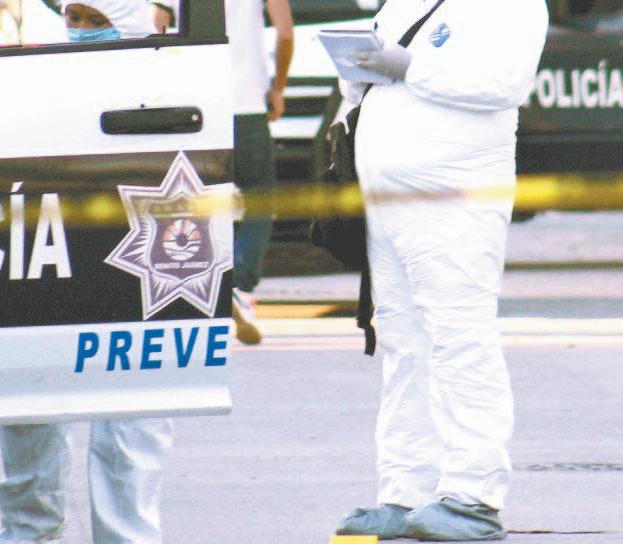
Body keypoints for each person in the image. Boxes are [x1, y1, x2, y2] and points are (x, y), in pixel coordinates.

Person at [332, 0, 548, 540]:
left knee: (460, 339)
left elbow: (503, 83)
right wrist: (356, 73)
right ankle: (406, 492)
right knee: (403, 342)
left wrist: (411, 68)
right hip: (387, 193)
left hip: (456, 194)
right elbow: (369, 85)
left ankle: (474, 497)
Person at [0, 6, 172, 544]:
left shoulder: (170, 81)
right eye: (76, 18)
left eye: (96, 18)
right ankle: (29, 528)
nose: (81, 31)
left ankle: (126, 535)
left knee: (133, 393)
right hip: (53, 235)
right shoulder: (45, 74)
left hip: (134, 238)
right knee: (28, 377)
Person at [228, 0, 294, 345]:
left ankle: (202, 285)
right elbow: (285, 34)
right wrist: (278, 88)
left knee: (196, 198)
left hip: (196, 104)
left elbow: (158, 22)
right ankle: (240, 286)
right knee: (260, 198)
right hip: (247, 105)